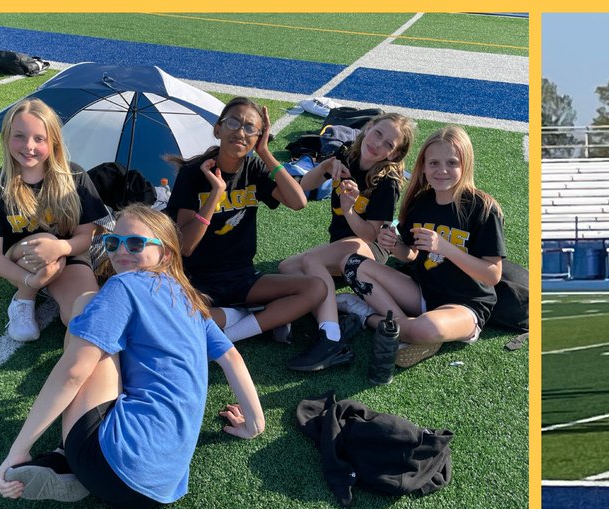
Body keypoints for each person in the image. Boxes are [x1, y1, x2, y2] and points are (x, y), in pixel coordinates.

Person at [0, 204, 263, 508]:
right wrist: (254, 425)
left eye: (135, 243)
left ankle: (64, 457)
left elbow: (74, 372)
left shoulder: (123, 285)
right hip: (163, 488)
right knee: (102, 333)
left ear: (166, 254)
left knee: (86, 308)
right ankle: (72, 461)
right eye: (112, 243)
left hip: (109, 464)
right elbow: (233, 360)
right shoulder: (191, 302)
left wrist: (18, 451)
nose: (121, 251)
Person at [166, 98, 334, 364]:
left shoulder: (254, 168)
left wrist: (265, 153)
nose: (240, 131)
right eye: (233, 122)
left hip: (243, 278)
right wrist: (215, 195)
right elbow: (186, 245)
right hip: (198, 281)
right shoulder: (194, 173)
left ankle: (230, 336)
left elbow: (298, 202)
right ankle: (249, 316)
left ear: (258, 136)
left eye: (250, 127)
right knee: (172, 319)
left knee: (316, 288)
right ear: (218, 129)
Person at [339, 125, 505, 371]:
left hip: (465, 304)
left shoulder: (483, 208)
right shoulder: (420, 202)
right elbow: (412, 255)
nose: (442, 170)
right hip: (422, 292)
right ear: (423, 166)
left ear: (465, 164)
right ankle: (403, 328)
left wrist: (446, 248)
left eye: (452, 162)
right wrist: (395, 246)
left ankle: (369, 317)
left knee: (424, 328)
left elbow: (492, 275)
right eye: (434, 163)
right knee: (350, 263)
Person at [279, 113, 415, 370]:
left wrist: (350, 210)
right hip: (340, 245)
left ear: (394, 155)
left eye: (389, 144)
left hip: (368, 250)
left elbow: (371, 235)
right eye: (378, 134)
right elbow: (304, 187)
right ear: (369, 127)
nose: (378, 144)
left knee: (310, 261)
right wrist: (324, 167)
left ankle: (331, 337)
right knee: (288, 268)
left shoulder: (388, 182)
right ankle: (346, 309)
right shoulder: (345, 155)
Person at [0, 98, 106, 343]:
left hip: (69, 257)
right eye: (19, 136)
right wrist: (31, 281)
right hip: (21, 264)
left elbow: (87, 236)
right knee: (44, 239)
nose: (28, 146)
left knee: (85, 318)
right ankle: (24, 297)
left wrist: (60, 248)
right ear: (6, 137)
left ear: (53, 142)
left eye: (39, 139)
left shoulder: (75, 176)